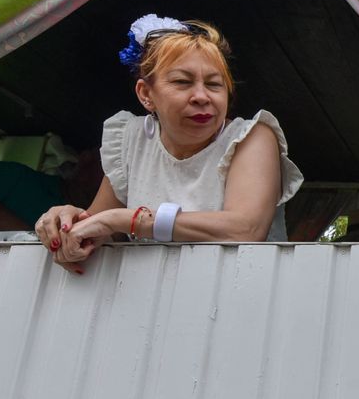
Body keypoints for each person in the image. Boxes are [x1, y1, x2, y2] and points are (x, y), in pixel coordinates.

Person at [34, 15, 303, 274]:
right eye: (182, 82)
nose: (201, 96)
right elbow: (96, 226)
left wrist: (130, 220)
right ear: (146, 94)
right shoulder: (131, 139)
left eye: (214, 84)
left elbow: (246, 229)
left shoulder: (251, 136)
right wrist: (66, 222)